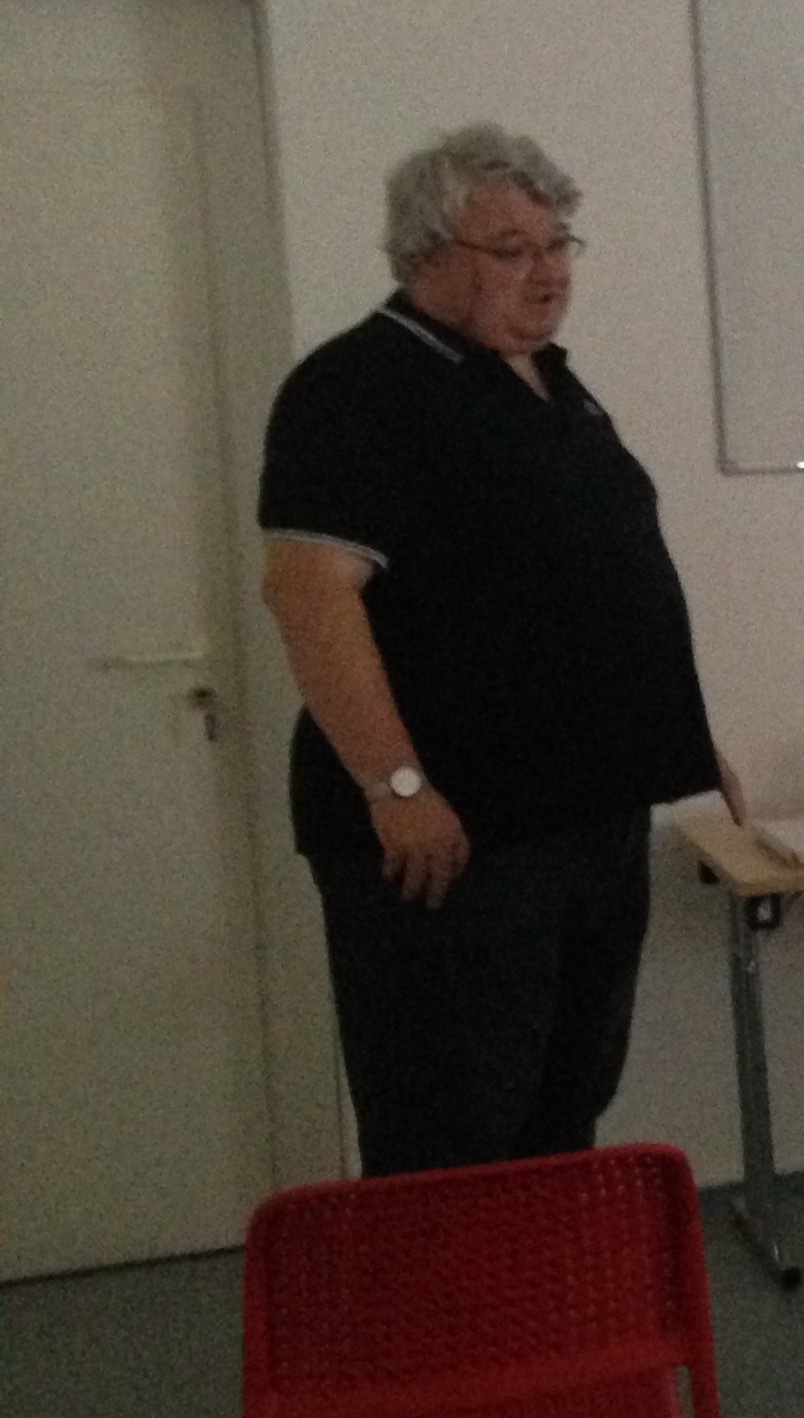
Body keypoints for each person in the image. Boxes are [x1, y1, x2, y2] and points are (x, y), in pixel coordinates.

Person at [256, 124, 736, 1175]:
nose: (549, 271)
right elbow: (307, 591)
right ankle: (447, 1294)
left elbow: (583, 585)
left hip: (588, 823)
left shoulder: (546, 380)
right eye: (513, 249)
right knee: (451, 1135)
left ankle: (541, 1289)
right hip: (457, 845)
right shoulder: (357, 390)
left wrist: (677, 731)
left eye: (559, 243)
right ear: (424, 253)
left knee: (562, 1112)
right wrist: (396, 786)